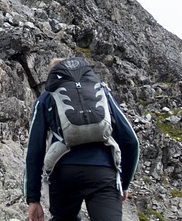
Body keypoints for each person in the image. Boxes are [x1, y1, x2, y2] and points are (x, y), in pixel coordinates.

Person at [24, 57, 139, 221]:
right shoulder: (101, 92)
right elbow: (131, 141)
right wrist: (124, 183)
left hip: (64, 172)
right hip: (103, 172)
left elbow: (34, 151)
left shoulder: (46, 97)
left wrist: (33, 198)